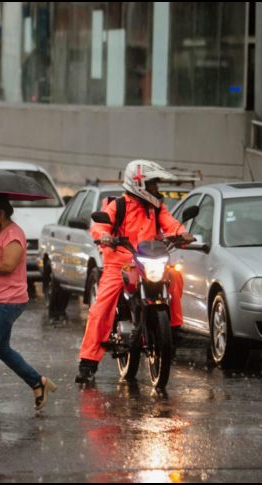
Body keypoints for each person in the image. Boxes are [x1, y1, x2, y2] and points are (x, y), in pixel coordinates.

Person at [75, 160, 195, 384]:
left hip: (149, 261)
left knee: (176, 276)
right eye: (152, 185)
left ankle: (173, 330)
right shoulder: (117, 206)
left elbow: (171, 224)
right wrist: (104, 236)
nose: (156, 189)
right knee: (101, 308)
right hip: (119, 264)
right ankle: (87, 362)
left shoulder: (157, 207)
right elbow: (100, 225)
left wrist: (183, 233)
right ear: (139, 184)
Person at [0, 194, 57, 416]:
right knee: (2, 349)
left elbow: (7, 265)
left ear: (1, 213)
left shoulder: (14, 235)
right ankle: (38, 383)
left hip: (10, 300)